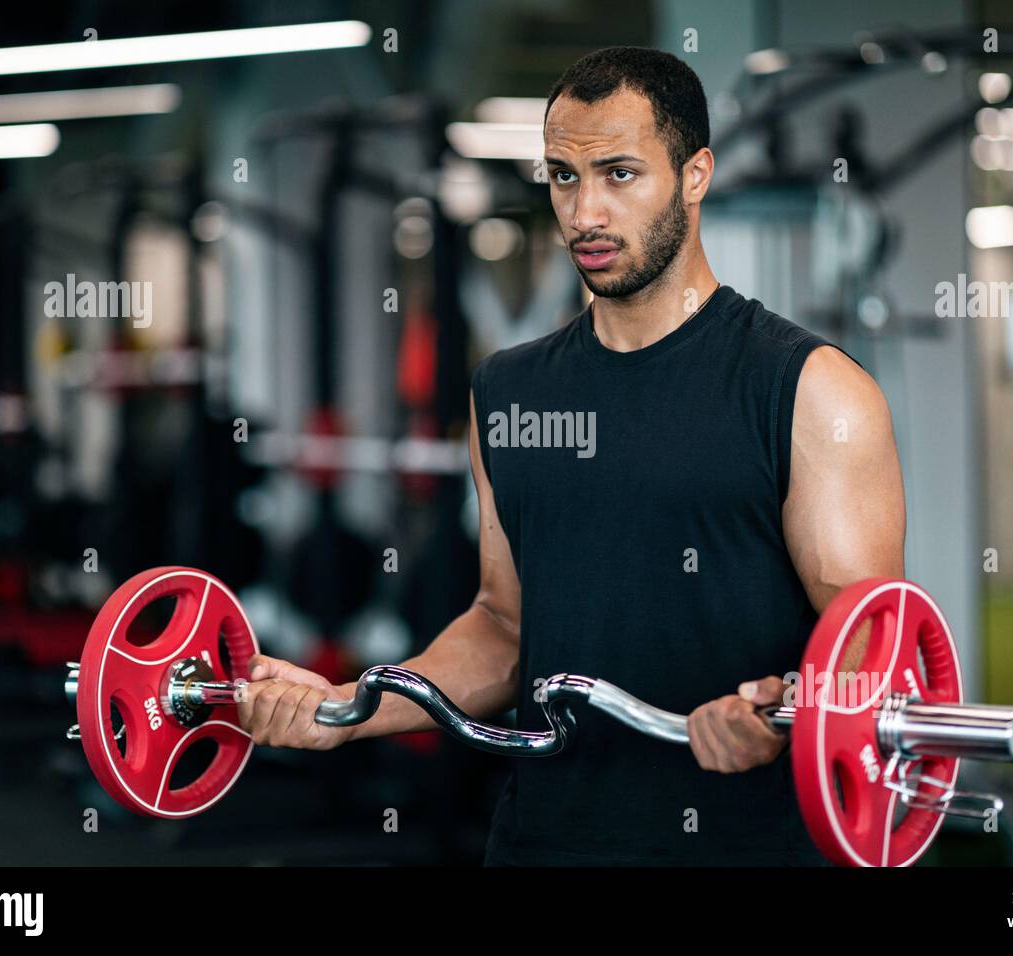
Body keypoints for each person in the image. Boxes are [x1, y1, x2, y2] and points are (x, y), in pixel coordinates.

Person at [237, 46, 905, 866]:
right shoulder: (507, 394)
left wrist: (781, 712)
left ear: (696, 175)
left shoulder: (809, 390)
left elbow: (869, 638)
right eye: (562, 177)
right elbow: (502, 627)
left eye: (619, 174)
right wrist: (346, 706)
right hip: (544, 842)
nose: (584, 212)